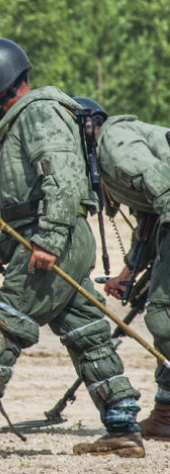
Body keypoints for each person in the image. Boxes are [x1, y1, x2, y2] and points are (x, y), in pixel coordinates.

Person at [0, 38, 145, 459]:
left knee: (5, 323)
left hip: (58, 238)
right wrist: (2, 246)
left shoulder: (39, 113)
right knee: (88, 334)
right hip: (55, 236)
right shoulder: (26, 118)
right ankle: (123, 427)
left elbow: (63, 182)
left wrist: (50, 241)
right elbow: (27, 203)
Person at [72, 96, 170, 441]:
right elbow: (152, 214)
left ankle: (167, 416)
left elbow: (164, 185)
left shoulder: (113, 142)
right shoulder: (108, 150)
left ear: (86, 129)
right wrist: (130, 271)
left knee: (163, 315)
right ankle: (166, 413)